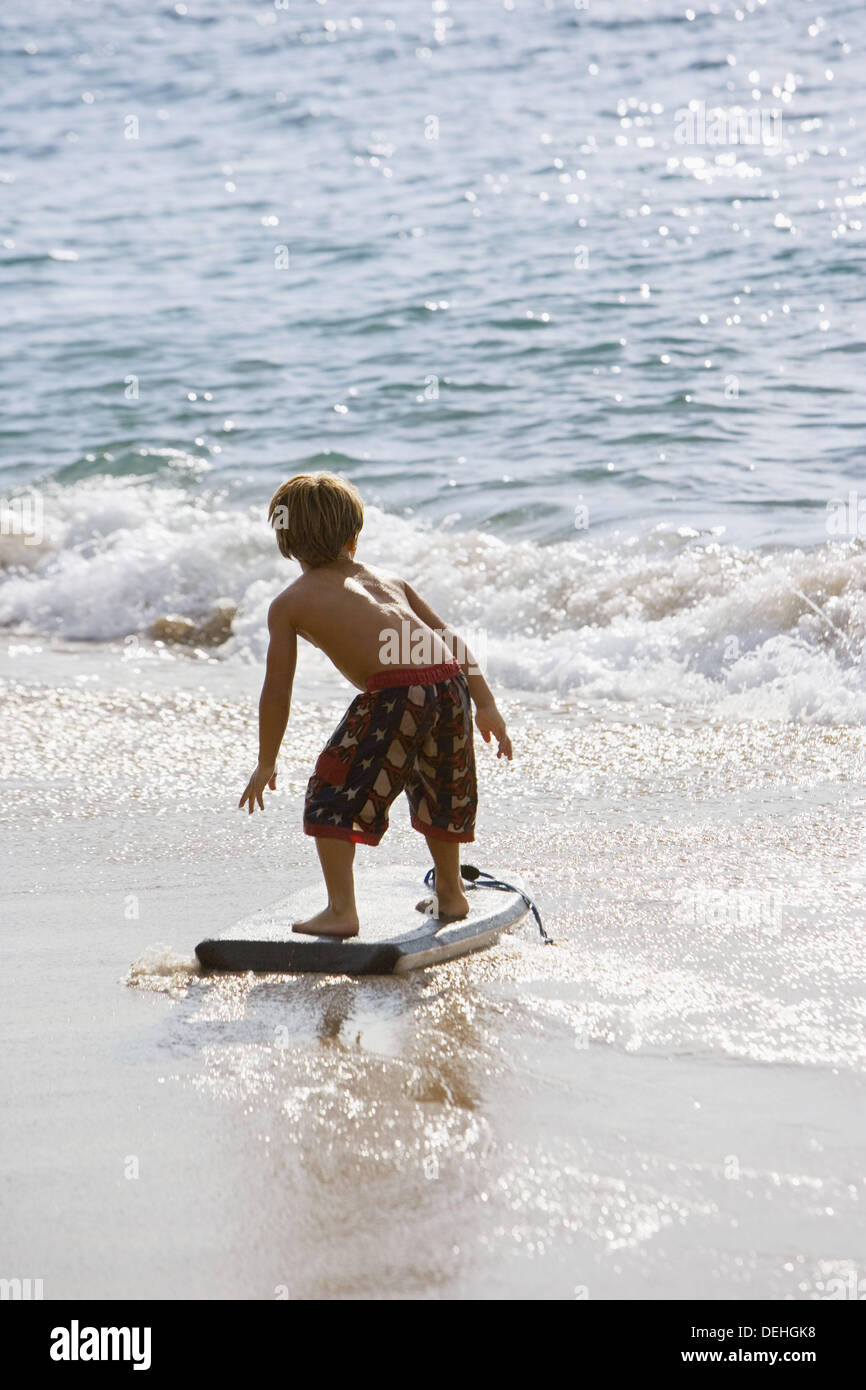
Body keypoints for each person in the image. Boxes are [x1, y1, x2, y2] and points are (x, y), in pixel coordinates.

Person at [239, 472, 512, 937]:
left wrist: (267, 762)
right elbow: (450, 640)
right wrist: (486, 703)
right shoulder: (389, 579)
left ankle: (341, 910)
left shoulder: (289, 603)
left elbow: (277, 688)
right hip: (448, 683)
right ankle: (451, 893)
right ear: (354, 536)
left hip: (396, 691)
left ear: (285, 541)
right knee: (438, 788)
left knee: (332, 791)